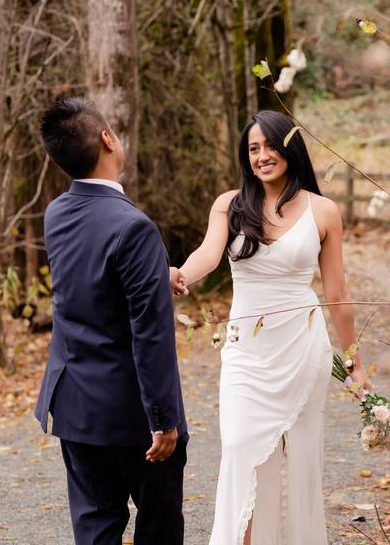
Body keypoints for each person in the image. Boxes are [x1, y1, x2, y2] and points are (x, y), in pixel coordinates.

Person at [171, 110, 369, 545]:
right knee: (241, 450)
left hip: (303, 348)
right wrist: (180, 273)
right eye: (253, 148)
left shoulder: (324, 211)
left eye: (270, 145)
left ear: (290, 146)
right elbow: (208, 251)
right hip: (247, 354)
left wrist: (354, 361)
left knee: (295, 463)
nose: (262, 156)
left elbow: (337, 292)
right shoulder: (230, 204)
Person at [34, 97, 187, 545]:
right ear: (107, 140)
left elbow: (91, 283)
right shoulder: (133, 226)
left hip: (76, 407)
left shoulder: (56, 213)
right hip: (132, 414)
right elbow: (150, 334)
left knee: (96, 528)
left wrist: (156, 274)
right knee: (159, 528)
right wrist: (162, 419)